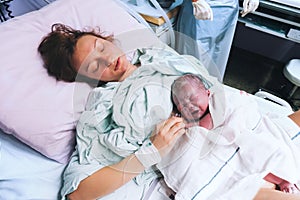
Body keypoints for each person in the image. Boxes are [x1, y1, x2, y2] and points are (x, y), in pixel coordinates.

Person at [38, 23, 300, 200]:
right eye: (94, 66)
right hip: (201, 154)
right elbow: (78, 192)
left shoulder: (160, 56)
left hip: (240, 119)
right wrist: (151, 151)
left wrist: (226, 96)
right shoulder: (104, 106)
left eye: (101, 47)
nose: (107, 59)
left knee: (276, 136)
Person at [167, 73, 300, 199]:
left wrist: (188, 125)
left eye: (192, 98)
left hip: (248, 135)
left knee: (259, 156)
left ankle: (283, 180)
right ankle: (282, 181)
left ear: (208, 93)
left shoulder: (219, 101)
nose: (189, 105)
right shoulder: (196, 120)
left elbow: (209, 124)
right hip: (233, 147)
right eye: (182, 105)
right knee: (250, 165)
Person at [175, 0, 259, 82]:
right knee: (194, 65)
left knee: (218, 62)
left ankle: (211, 91)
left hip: (228, 9)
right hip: (202, 7)